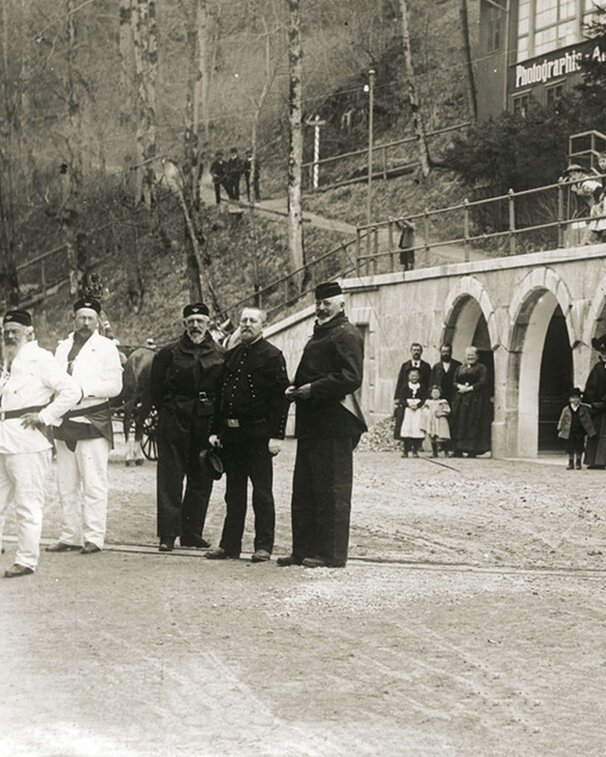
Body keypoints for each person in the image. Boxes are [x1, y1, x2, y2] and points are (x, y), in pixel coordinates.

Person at [278, 281, 366, 569]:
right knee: (304, 491)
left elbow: (351, 377)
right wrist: (296, 388)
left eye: (327, 302)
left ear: (342, 304)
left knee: (332, 492)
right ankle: (302, 550)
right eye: (318, 302)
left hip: (335, 425)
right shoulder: (322, 333)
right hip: (312, 425)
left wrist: (312, 389)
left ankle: (331, 554)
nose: (320, 307)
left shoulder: (347, 334)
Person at [0, 310, 80, 578]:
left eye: (16, 331)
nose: (10, 336)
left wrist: (44, 416)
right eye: (6, 331)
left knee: (28, 503)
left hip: (28, 443)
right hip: (4, 440)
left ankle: (25, 560)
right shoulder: (8, 362)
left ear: (30, 333)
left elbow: (72, 391)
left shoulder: (40, 358)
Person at [206, 307, 289, 562]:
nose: (247, 325)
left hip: (258, 436)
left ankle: (263, 546)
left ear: (263, 325)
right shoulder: (231, 356)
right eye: (243, 321)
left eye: (253, 321)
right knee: (234, 492)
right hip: (232, 437)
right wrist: (214, 431)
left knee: (262, 492)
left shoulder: (273, 356)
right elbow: (220, 396)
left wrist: (277, 436)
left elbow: (280, 400)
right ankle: (229, 545)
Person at [46, 297, 123, 555]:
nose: (86, 322)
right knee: (66, 484)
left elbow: (115, 386)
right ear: (74, 319)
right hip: (64, 422)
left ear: (98, 321)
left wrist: (82, 391)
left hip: (92, 420)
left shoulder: (106, 348)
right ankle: (70, 535)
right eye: (81, 317)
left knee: (93, 482)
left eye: (91, 318)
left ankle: (94, 537)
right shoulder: (62, 347)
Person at [151, 303, 224, 551]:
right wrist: (168, 412)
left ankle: (192, 533)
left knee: (201, 476)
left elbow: (222, 391)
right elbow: (155, 390)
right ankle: (168, 535)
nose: (195, 326)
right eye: (190, 321)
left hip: (205, 420)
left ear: (208, 323)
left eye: (200, 321)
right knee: (170, 477)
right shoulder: (168, 353)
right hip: (174, 419)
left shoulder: (220, 353)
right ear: (184, 324)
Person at [450, 346, 491, 458]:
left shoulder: (481, 368)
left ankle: (472, 450)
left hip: (475, 400)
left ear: (477, 356)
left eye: (472, 355)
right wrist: (459, 386)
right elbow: (454, 381)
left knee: (472, 422)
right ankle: (458, 449)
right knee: (459, 422)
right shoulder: (460, 368)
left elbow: (483, 382)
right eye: (468, 355)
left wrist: (468, 389)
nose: (470, 357)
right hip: (461, 399)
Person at [557, 388, 595, 470]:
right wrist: (560, 428)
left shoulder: (583, 409)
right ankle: (570, 462)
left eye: (577, 398)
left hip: (580, 431)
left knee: (579, 446)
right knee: (570, 447)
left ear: (580, 399)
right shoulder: (566, 409)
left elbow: (588, 419)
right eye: (573, 398)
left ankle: (578, 462)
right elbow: (562, 419)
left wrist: (590, 430)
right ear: (569, 399)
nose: (575, 400)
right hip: (569, 430)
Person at [584, 334, 606, 469]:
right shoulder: (598, 368)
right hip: (597, 408)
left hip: (603, 404)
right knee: (595, 432)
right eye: (603, 352)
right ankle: (595, 461)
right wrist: (592, 403)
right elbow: (591, 386)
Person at [394, 367, 426, 457]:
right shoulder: (405, 386)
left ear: (419, 377)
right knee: (407, 429)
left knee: (416, 429)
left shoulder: (422, 387)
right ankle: (405, 451)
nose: (414, 378)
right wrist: (408, 405)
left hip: (418, 411)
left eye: (416, 376)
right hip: (408, 411)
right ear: (408, 376)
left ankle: (415, 451)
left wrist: (418, 405)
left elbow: (424, 398)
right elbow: (401, 399)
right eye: (412, 376)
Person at [421, 384, 451, 458]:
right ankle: (434, 452)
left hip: (441, 420)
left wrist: (441, 413)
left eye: (437, 392)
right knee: (433, 436)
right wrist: (427, 413)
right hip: (432, 420)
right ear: (430, 394)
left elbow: (447, 410)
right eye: (433, 393)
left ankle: (446, 452)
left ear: (440, 393)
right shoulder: (428, 402)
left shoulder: (443, 401)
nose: (435, 394)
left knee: (443, 436)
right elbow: (424, 409)